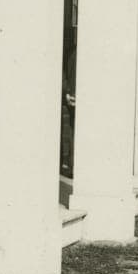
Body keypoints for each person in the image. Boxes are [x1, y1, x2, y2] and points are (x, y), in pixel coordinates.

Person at [61, 44, 77, 177]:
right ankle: (73, 165)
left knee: (73, 132)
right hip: (75, 98)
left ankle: (73, 165)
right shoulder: (74, 52)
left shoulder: (72, 52)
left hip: (72, 97)